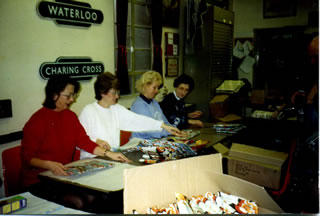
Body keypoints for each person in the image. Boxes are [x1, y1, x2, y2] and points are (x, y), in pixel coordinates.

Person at [20, 75, 130, 212]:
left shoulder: (70, 116)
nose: (72, 100)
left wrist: (109, 154)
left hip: (63, 177)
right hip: (39, 181)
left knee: (102, 198)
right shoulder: (37, 121)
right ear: (54, 94)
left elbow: (84, 141)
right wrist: (48, 164)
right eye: (68, 96)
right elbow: (27, 157)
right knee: (83, 202)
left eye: (73, 95)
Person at [78, 72, 182, 159]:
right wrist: (96, 141)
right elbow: (79, 142)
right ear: (102, 92)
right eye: (114, 93)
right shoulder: (89, 111)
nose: (117, 96)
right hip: (92, 157)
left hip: (112, 157)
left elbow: (137, 120)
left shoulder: (116, 109)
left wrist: (162, 126)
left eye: (118, 92)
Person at [130, 71, 184, 139]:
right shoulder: (138, 105)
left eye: (158, 88)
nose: (157, 91)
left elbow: (164, 122)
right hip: (142, 143)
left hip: (157, 140)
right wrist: (170, 132)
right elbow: (150, 130)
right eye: (154, 87)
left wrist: (176, 130)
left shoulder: (154, 102)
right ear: (145, 86)